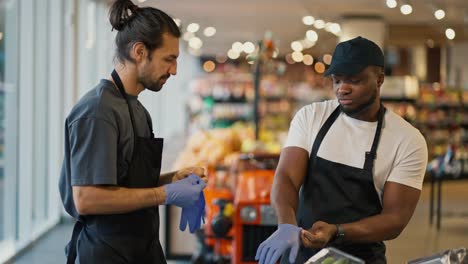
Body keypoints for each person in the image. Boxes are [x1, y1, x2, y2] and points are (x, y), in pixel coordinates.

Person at [255, 36, 428, 264]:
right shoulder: (311, 117)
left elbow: (395, 219)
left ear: (379, 79)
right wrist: (287, 225)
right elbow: (286, 176)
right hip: (301, 253)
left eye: (354, 81)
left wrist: (337, 231)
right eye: (336, 80)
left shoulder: (406, 140)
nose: (342, 89)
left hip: (361, 258)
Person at [58, 1, 206, 263]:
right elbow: (87, 198)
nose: (174, 70)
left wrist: (172, 179)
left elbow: (126, 183)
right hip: (107, 252)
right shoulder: (97, 111)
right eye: (168, 59)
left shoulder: (138, 109)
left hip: (142, 249)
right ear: (139, 51)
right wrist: (165, 194)